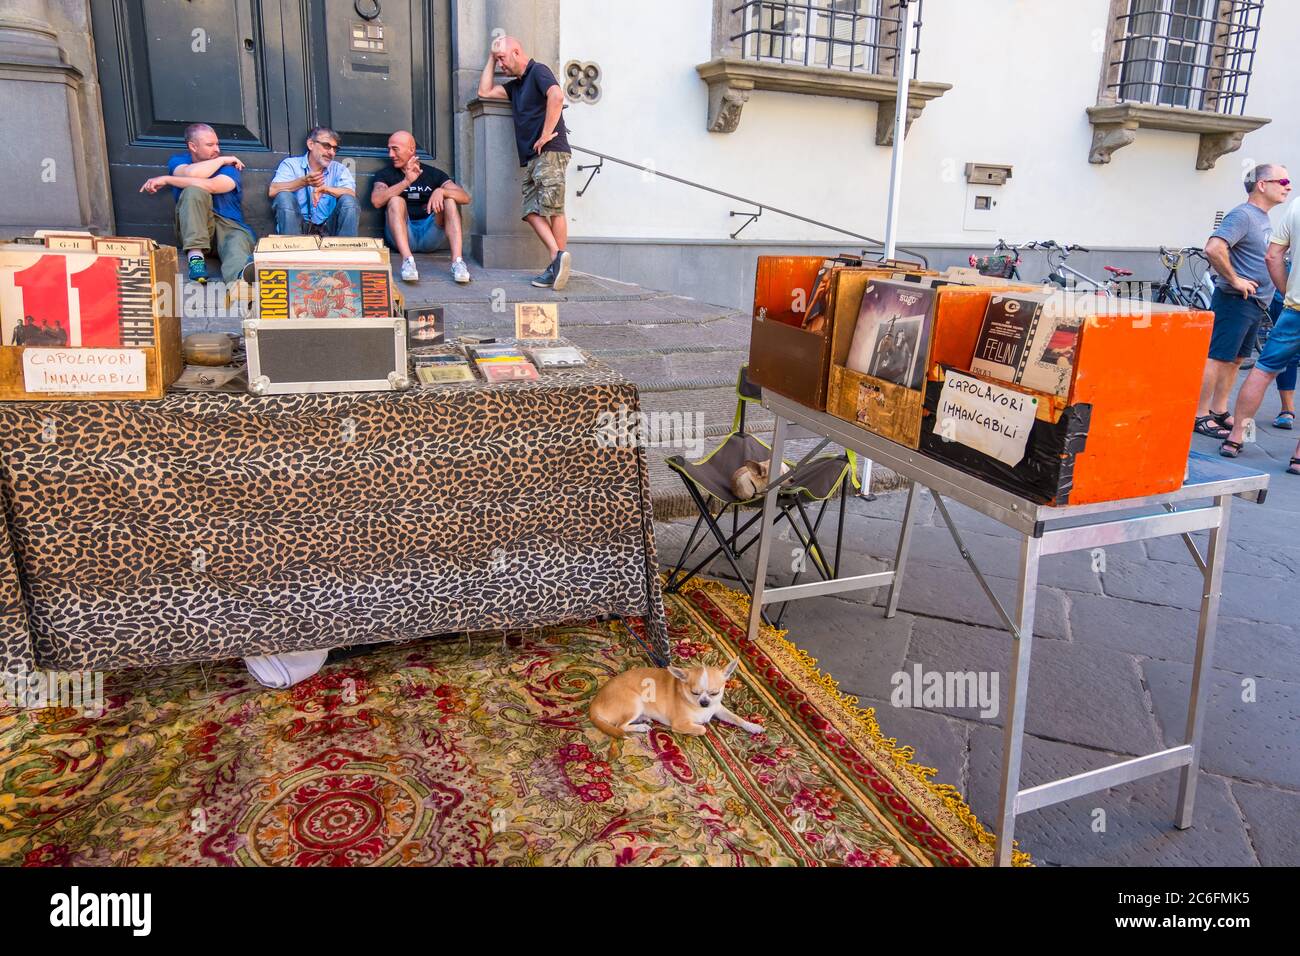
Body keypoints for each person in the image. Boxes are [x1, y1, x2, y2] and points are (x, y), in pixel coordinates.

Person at [1192, 163, 1290, 439]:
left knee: (1235, 360)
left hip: (1254, 303)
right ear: (1262, 184)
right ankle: (1198, 415)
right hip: (1236, 300)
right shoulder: (1244, 215)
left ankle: (1218, 410)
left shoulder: (1262, 218)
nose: (1288, 186)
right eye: (1282, 181)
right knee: (1217, 357)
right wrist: (1235, 279)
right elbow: (1214, 247)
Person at [477, 35, 572, 290]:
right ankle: (557, 259)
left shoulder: (538, 71)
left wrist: (546, 133)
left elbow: (557, 96)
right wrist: (490, 56)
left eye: (502, 59)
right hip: (532, 157)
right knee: (531, 211)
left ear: (517, 52)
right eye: (497, 61)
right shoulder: (515, 86)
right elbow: (484, 91)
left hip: (550, 151)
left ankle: (557, 265)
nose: (500, 66)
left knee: (553, 209)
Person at [1223, 189, 1300, 467]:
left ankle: (1235, 437)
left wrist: (1287, 290)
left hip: (1295, 309)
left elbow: (1273, 256)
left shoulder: (1297, 206)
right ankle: (1298, 457)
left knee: (1263, 370)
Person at [139, 123, 256, 285]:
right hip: (194, 228)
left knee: (235, 246)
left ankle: (241, 283)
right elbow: (192, 173)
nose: (217, 149)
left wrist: (166, 180)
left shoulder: (230, 167)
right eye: (210, 145)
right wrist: (222, 160)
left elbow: (213, 186)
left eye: (217, 144)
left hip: (230, 227)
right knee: (193, 190)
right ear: (193, 146)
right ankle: (195, 258)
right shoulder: (179, 161)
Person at [370, 130, 472, 284]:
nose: (390, 154)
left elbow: (465, 197)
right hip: (403, 235)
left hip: (429, 234)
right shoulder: (385, 174)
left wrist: (442, 191)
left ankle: (457, 262)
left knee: (450, 200)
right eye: (389, 149)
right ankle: (408, 261)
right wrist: (406, 181)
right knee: (396, 201)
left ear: (411, 149)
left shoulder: (433, 174)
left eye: (395, 149)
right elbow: (377, 201)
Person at [268, 127, 359, 237]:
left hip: (329, 229)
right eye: (326, 146)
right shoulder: (291, 164)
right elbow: (273, 190)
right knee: (284, 196)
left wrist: (325, 189)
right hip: (298, 228)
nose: (331, 152)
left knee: (349, 201)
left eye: (335, 149)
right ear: (311, 144)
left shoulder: (339, 169)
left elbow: (351, 193)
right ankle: (291, 249)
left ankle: (346, 251)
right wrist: (303, 182)